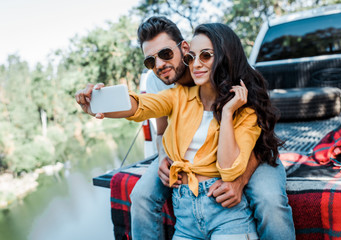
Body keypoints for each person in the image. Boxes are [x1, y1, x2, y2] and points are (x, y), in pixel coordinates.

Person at [75, 17, 295, 240]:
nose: (160, 65)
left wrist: (239, 180)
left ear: (184, 47)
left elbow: (258, 138)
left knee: (269, 200)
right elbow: (151, 119)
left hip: (251, 152)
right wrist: (98, 103)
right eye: (150, 61)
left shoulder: (237, 84)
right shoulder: (163, 85)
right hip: (188, 180)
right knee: (141, 195)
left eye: (166, 54)